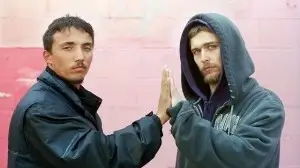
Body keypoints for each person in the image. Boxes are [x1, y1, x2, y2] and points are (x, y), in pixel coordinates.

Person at [7, 15, 172, 168]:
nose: (80, 56)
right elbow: (100, 158)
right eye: (68, 48)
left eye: (86, 48)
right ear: (48, 57)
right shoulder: (42, 108)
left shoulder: (68, 98)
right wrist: (157, 119)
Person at [166, 13, 285, 168]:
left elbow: (243, 159)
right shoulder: (193, 108)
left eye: (211, 47)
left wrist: (185, 122)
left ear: (231, 49)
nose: (204, 58)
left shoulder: (265, 105)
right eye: (196, 51)